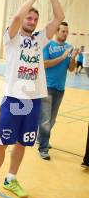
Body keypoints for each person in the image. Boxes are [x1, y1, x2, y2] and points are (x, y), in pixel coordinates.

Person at [0, 0, 64, 198]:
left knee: (22, 143)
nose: (32, 20)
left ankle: (11, 178)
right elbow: (17, 15)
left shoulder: (39, 40)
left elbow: (59, 17)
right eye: (29, 16)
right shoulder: (12, 38)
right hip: (13, 98)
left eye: (35, 18)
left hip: (33, 100)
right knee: (1, 142)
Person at [37, 22, 79, 160]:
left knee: (52, 120)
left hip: (60, 89)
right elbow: (44, 63)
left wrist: (72, 58)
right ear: (56, 31)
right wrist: (62, 57)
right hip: (47, 87)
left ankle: (41, 138)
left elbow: (71, 69)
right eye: (63, 31)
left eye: (67, 31)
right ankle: (43, 147)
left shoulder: (69, 48)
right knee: (45, 121)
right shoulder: (48, 45)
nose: (65, 34)